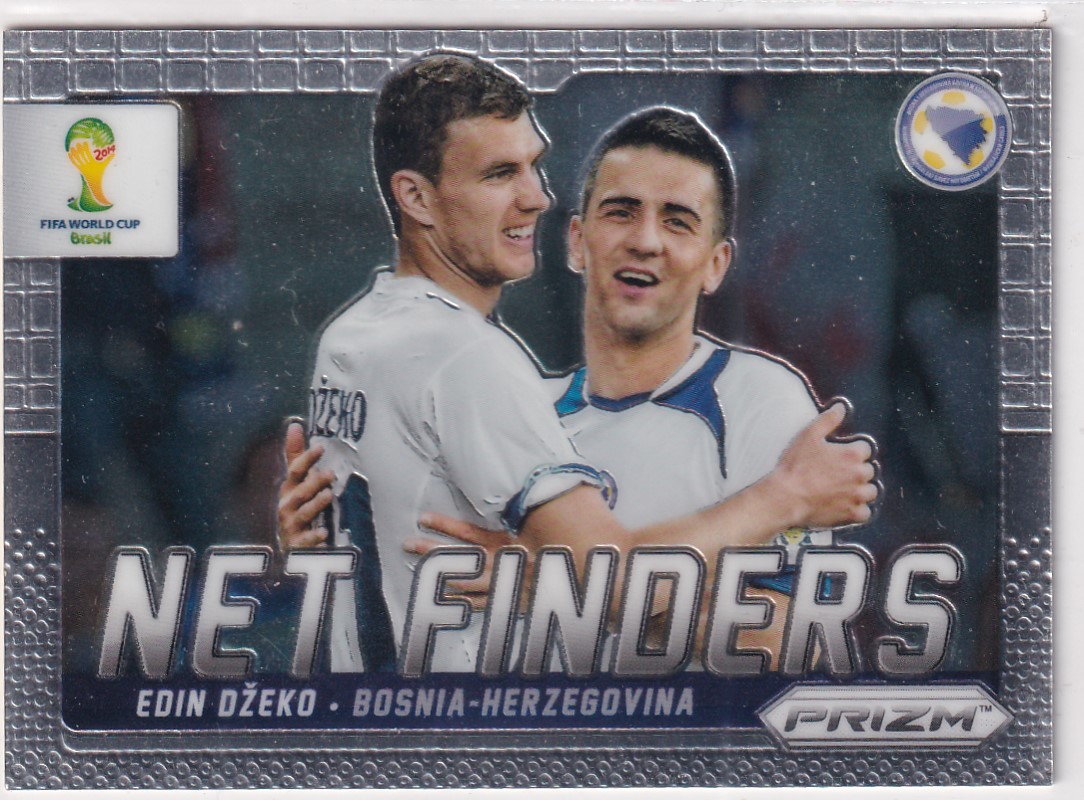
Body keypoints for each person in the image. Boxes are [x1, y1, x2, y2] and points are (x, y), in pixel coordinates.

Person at [280, 53, 877, 673]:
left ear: (716, 264)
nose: (645, 240)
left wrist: (544, 586)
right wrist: (327, 545)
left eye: (677, 222)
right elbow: (415, 573)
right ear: (575, 242)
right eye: (621, 212)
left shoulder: (759, 400)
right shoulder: (516, 398)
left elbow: (792, 644)